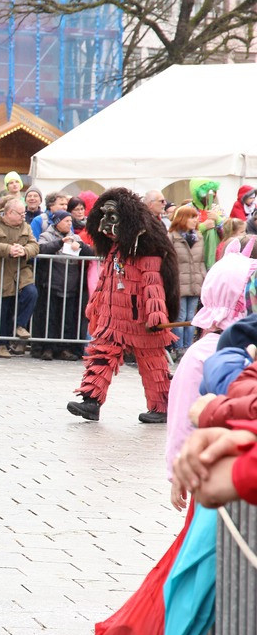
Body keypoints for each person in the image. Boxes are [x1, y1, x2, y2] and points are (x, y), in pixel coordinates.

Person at [67, 188, 179, 424]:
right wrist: (96, 305)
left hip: (140, 319)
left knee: (153, 364)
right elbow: (106, 281)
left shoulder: (146, 250)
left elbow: (153, 286)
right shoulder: (115, 250)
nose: (105, 225)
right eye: (103, 218)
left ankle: (162, 406)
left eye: (112, 218)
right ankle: (90, 402)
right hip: (113, 319)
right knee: (102, 356)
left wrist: (156, 316)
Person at [163, 244, 257, 510]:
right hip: (206, 469)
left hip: (239, 469)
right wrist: (177, 468)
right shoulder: (204, 351)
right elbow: (183, 413)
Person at [0, 194, 38, 358]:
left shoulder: (25, 226)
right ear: (9, 213)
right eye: (20, 213)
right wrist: (8, 249)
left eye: (24, 213)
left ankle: (19, 325)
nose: (23, 216)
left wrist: (25, 250)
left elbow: (35, 245)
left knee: (31, 293)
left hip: (20, 271)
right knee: (0, 310)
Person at [35, 210, 94, 360]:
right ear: (57, 222)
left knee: (67, 319)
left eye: (70, 221)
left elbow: (91, 252)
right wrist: (60, 243)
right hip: (52, 284)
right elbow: (41, 249)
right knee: (50, 317)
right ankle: (47, 347)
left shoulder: (76, 237)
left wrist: (79, 245)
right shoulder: (46, 235)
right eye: (66, 221)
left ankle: (64, 348)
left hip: (71, 285)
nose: (69, 223)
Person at [168, 205, 205, 357]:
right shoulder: (172, 237)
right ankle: (178, 347)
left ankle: (188, 348)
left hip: (195, 281)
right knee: (180, 316)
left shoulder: (199, 236)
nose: (195, 220)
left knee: (192, 317)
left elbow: (201, 261)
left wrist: (203, 277)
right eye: (191, 217)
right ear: (182, 218)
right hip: (179, 282)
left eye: (195, 216)